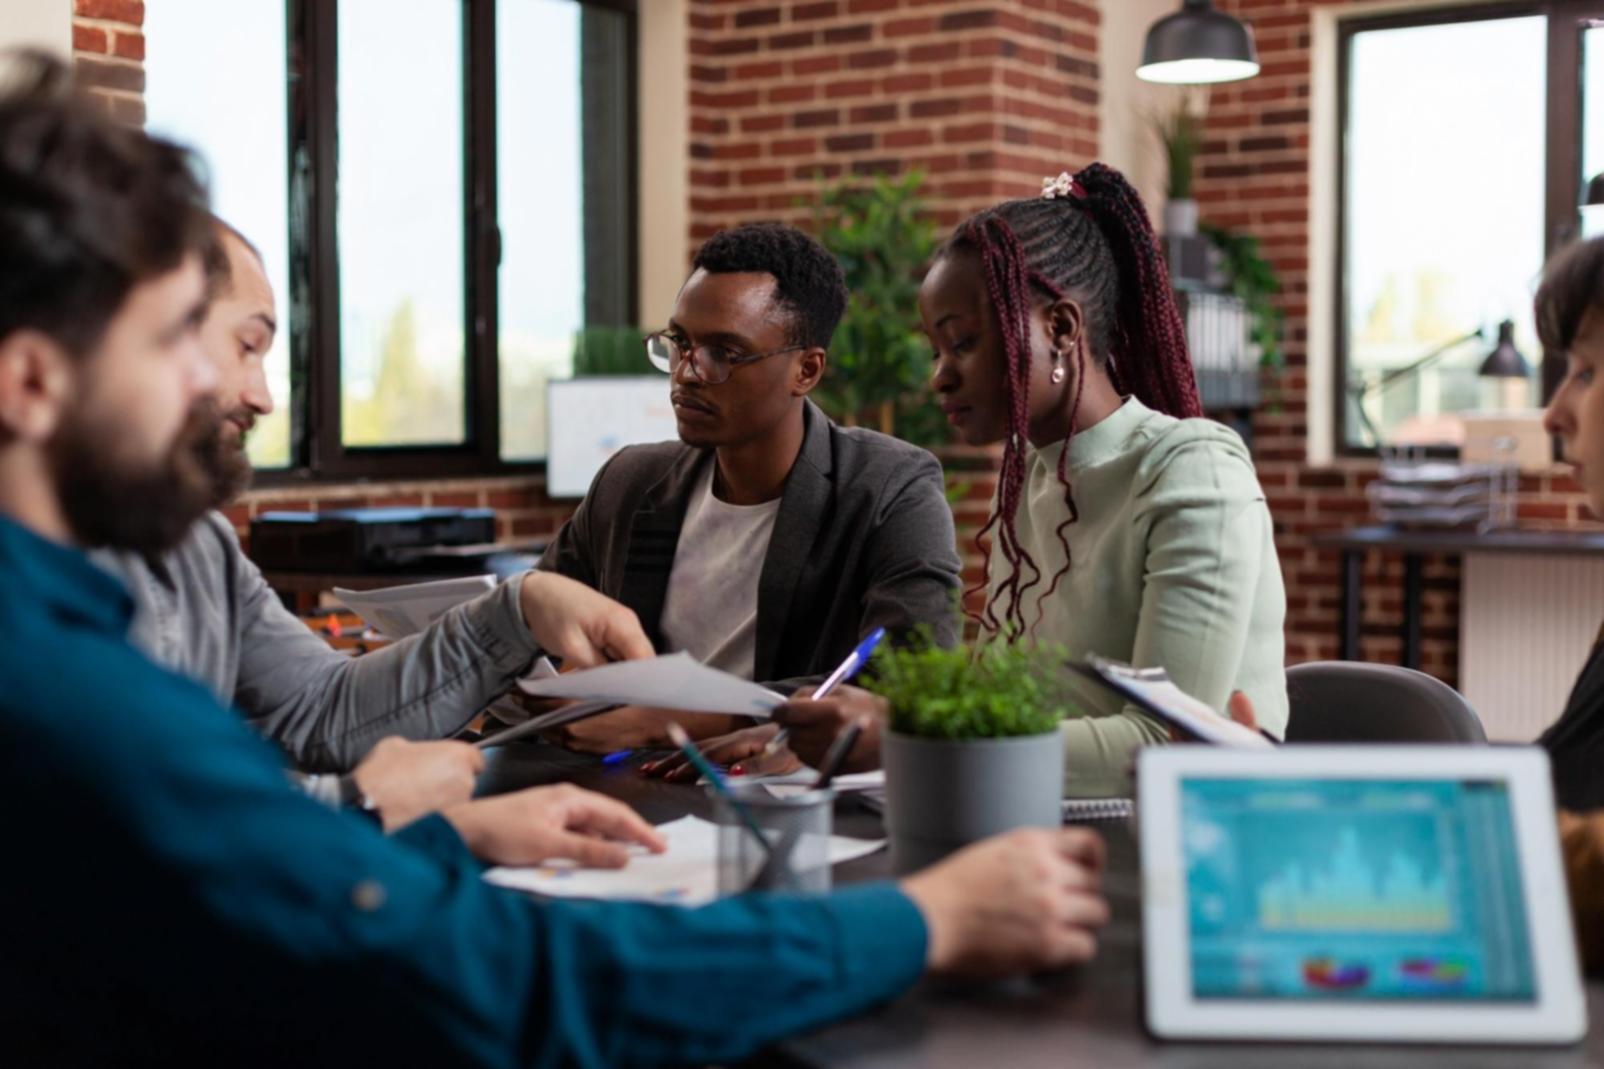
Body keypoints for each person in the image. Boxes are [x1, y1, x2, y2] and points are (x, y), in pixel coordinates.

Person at [0, 54, 1112, 1064]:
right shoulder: (69, 690)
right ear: (33, 380)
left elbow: (307, 760)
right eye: (177, 342)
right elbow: (504, 980)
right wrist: (923, 921)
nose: (230, 389)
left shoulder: (107, 605)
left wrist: (450, 795)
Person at [658, 165, 1288, 796]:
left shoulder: (1193, 470)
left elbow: (1166, 743)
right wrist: (803, 734)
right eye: (935, 350)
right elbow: (999, 708)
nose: (939, 376)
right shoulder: (1031, 481)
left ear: (1061, 329)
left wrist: (908, 735)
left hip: (1192, 832)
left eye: (961, 344)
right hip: (1036, 816)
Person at [88, 218, 578, 825]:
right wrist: (362, 802)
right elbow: (127, 817)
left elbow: (322, 710)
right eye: (247, 346)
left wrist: (517, 613)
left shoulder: (201, 544)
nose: (264, 398)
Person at [536, 221, 963, 754]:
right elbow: (530, 632)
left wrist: (676, 720)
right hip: (612, 774)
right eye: (680, 343)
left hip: (772, 784)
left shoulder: (889, 488)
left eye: (725, 353)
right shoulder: (630, 481)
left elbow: (910, 681)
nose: (687, 373)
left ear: (806, 370)